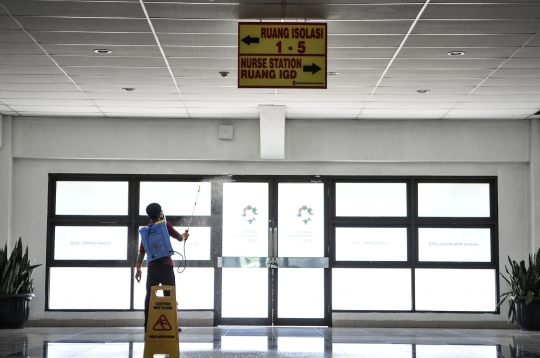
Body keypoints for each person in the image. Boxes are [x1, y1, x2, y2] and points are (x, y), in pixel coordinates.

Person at [135, 202, 189, 332]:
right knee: (169, 295)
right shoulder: (165, 225)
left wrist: (138, 268)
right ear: (160, 213)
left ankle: (147, 325)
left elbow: (142, 251)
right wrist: (185, 236)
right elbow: (179, 238)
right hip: (166, 266)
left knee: (150, 295)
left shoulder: (146, 230)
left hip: (152, 268)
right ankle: (172, 325)